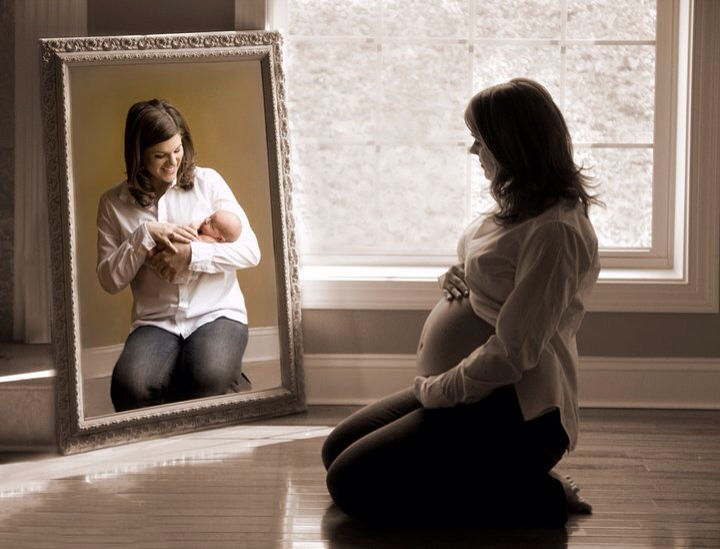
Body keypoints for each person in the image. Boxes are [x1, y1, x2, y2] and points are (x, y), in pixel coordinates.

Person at [321, 78, 600, 527]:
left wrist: (439, 389)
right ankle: (501, 478)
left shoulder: (557, 231)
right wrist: (458, 275)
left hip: (516, 409)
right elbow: (493, 270)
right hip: (474, 392)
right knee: (335, 450)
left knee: (351, 484)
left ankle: (535, 494)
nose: (474, 152)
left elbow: (513, 354)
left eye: (480, 140)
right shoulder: (515, 204)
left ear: (512, 144)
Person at [97, 98, 261, 412]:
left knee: (207, 379)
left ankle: (219, 381)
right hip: (156, 321)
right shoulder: (113, 203)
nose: (172, 163)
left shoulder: (207, 182)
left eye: (178, 150)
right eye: (160, 155)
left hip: (216, 312)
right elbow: (109, 279)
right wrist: (143, 234)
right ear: (138, 155)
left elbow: (251, 251)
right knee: (128, 390)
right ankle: (206, 383)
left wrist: (191, 255)